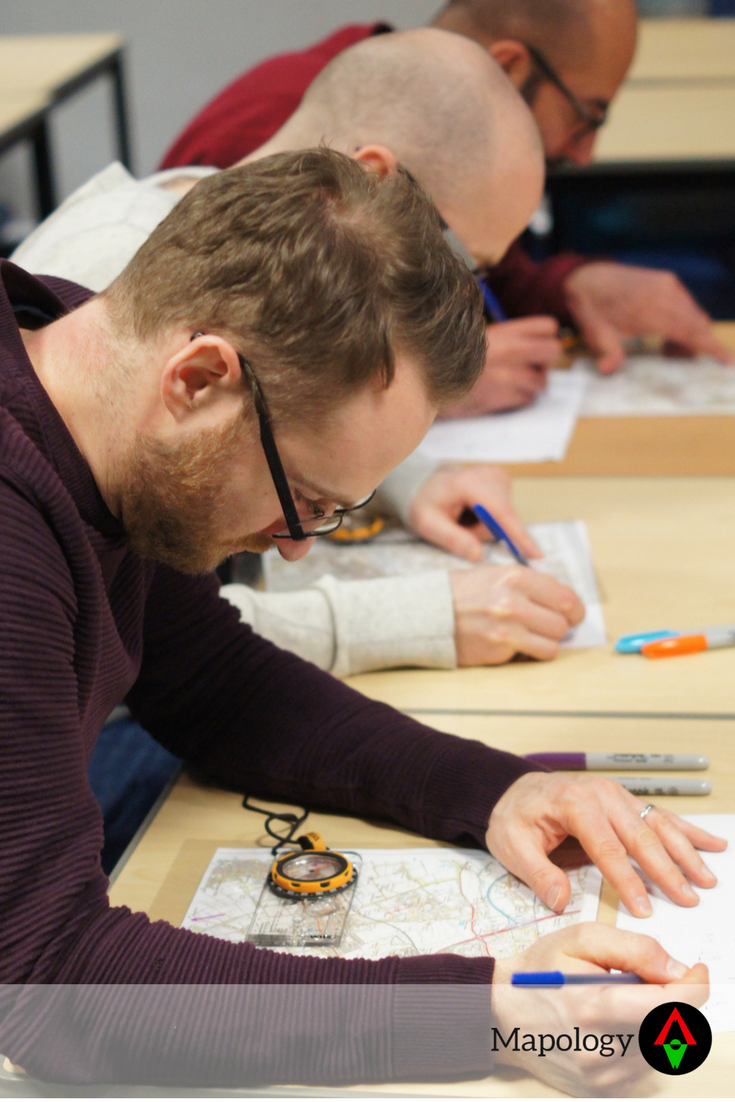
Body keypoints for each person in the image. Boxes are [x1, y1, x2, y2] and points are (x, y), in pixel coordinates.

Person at [0, 149, 721, 1091]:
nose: (298, 548)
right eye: (302, 495)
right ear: (199, 377)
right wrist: (494, 1016)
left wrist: (495, 789)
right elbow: (56, 986)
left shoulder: (73, 354)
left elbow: (214, 683)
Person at [13, 30, 584, 677]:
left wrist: (403, 478)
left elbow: (295, 400)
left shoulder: (223, 215)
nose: (457, 294)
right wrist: (418, 619)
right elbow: (145, 641)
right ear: (374, 180)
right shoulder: (107, 272)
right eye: (456, 262)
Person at [159, 0, 731, 412]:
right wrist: (430, 388)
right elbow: (236, 394)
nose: (585, 153)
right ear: (509, 69)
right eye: (588, 115)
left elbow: (470, 271)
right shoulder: (296, 155)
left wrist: (570, 284)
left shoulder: (428, 140)